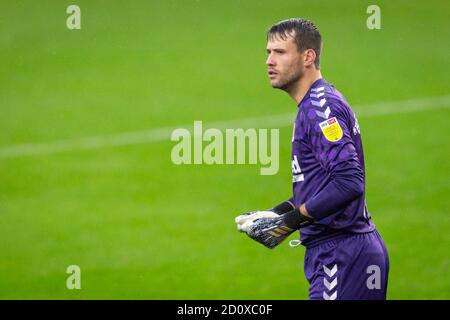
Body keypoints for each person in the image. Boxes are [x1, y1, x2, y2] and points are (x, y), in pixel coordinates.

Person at [235, 18, 389, 300]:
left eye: (280, 52)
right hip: (344, 253)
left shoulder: (320, 108)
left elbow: (348, 182)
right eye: (268, 52)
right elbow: (324, 184)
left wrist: (292, 221)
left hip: (341, 257)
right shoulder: (315, 105)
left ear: (308, 57)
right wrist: (278, 214)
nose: (269, 61)